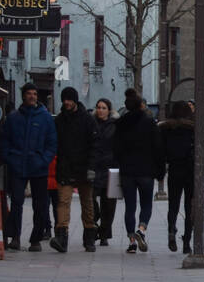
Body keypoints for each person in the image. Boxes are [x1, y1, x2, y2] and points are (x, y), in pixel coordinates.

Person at [0, 83, 57, 252]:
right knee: (16, 202)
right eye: (29, 94)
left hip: (38, 166)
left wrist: (43, 160)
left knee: (40, 205)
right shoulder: (14, 117)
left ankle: (36, 239)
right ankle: (15, 236)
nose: (32, 96)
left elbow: (51, 143)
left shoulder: (45, 118)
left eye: (35, 94)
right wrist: (10, 158)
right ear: (23, 96)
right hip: (18, 165)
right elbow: (4, 141)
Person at [115, 88, 161, 253]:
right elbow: (157, 147)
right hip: (146, 170)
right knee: (146, 204)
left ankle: (132, 241)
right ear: (141, 105)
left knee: (130, 206)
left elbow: (116, 149)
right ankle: (141, 229)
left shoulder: (121, 123)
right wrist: (160, 170)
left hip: (127, 171)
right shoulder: (149, 122)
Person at [52, 87, 98, 252]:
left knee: (87, 203)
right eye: (64, 99)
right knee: (63, 202)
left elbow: (94, 145)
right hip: (66, 166)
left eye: (69, 100)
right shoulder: (59, 120)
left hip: (84, 167)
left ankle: (89, 236)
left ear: (75, 100)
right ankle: (61, 236)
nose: (66, 102)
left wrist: (92, 167)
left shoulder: (87, 120)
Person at [158, 100, 196, 254]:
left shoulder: (166, 128)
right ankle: (187, 242)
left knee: (173, 205)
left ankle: (171, 230)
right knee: (189, 208)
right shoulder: (193, 128)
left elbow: (161, 151)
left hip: (174, 169)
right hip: (191, 171)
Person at [91, 98, 119, 246]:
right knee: (91, 199)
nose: (100, 110)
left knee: (109, 204)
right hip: (94, 167)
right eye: (98, 107)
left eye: (103, 108)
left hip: (111, 169)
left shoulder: (115, 126)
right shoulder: (91, 123)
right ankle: (94, 222)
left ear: (109, 110)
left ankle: (104, 233)